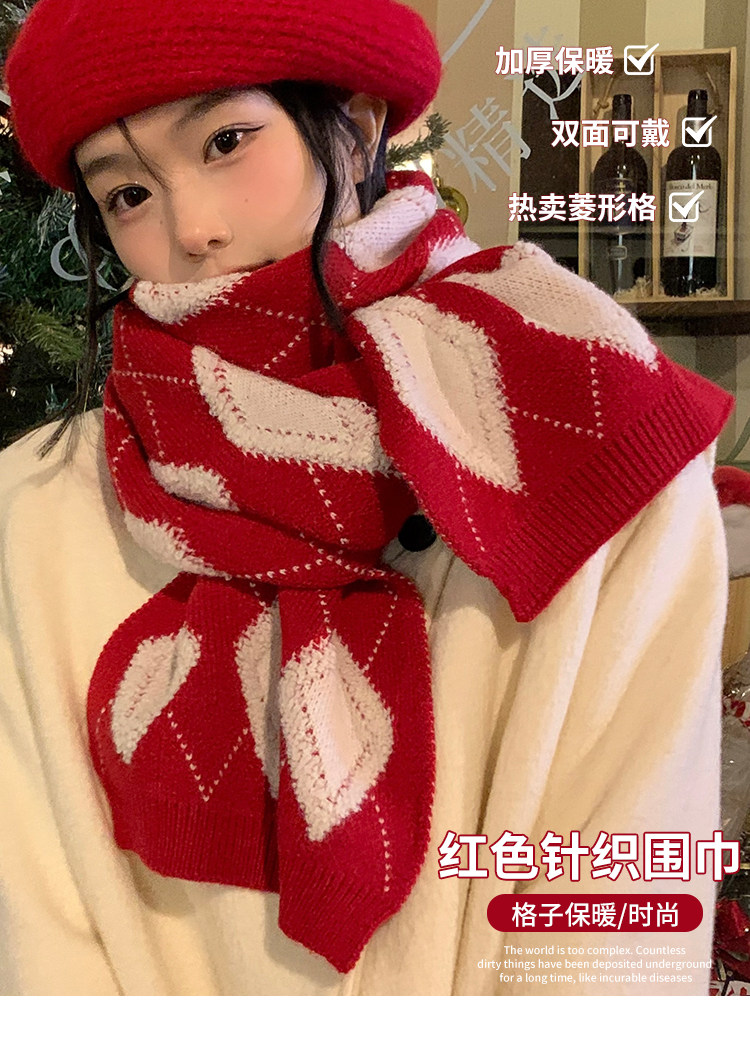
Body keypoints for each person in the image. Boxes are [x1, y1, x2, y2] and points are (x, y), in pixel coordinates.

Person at [0, 0, 734, 996]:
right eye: (128, 193)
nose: (194, 229)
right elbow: (41, 946)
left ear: (353, 122)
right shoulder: (37, 520)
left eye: (226, 141)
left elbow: (614, 917)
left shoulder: (589, 427)